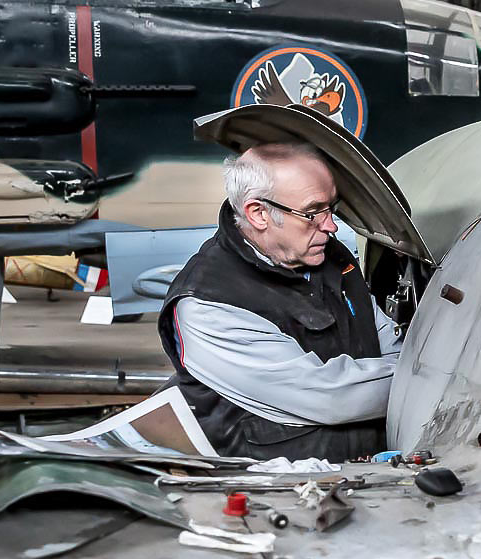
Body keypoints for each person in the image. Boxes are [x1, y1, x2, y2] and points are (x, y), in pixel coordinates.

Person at [158, 142, 401, 460]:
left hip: (367, 474)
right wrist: (428, 376)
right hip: (278, 490)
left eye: (332, 207)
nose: (331, 226)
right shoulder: (208, 305)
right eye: (312, 213)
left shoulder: (327, 258)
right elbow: (329, 397)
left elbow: (387, 337)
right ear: (258, 214)